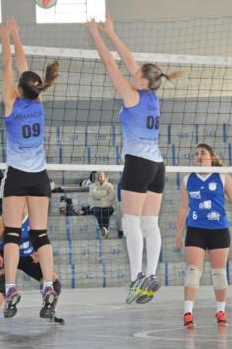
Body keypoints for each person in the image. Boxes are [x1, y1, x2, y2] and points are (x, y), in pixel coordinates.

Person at [86, 15, 181, 304]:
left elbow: (110, 65)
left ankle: (136, 278)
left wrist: (95, 34)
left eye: (137, 73)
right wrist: (112, 32)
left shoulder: (131, 95)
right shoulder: (152, 95)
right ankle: (150, 273)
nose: (133, 72)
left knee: (130, 222)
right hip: (157, 165)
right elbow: (131, 62)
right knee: (150, 223)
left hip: (138, 163)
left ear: (142, 80)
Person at [0, 17, 59, 320]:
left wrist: (5, 37)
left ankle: (11, 287)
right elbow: (23, 67)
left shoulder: (11, 103)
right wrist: (17, 36)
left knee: (13, 235)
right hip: (40, 177)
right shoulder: (38, 101)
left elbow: (9, 66)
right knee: (41, 233)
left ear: (19, 89)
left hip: (18, 177)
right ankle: (47, 283)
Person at [175, 144, 232, 327]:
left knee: (219, 273)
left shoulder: (222, 176)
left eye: (203, 153)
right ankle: (187, 312)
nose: (199, 156)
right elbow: (183, 206)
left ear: (211, 157)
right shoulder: (188, 179)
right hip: (196, 229)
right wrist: (178, 232)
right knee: (193, 270)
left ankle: (221, 310)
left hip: (219, 230)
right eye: (196, 154)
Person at [0, 210, 63, 329]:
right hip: (7, 255)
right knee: (4, 281)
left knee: (53, 281)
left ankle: (51, 311)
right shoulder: (7, 217)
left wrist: (36, 251)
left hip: (26, 255)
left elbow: (40, 239)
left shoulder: (34, 216)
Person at [89, 171, 115, 238]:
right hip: (96, 206)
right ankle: (105, 229)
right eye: (98, 176)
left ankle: (104, 229)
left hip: (107, 206)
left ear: (104, 177)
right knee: (98, 211)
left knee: (106, 211)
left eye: (101, 176)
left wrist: (99, 198)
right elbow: (93, 195)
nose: (99, 178)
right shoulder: (92, 186)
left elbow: (111, 197)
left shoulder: (109, 186)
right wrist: (104, 193)